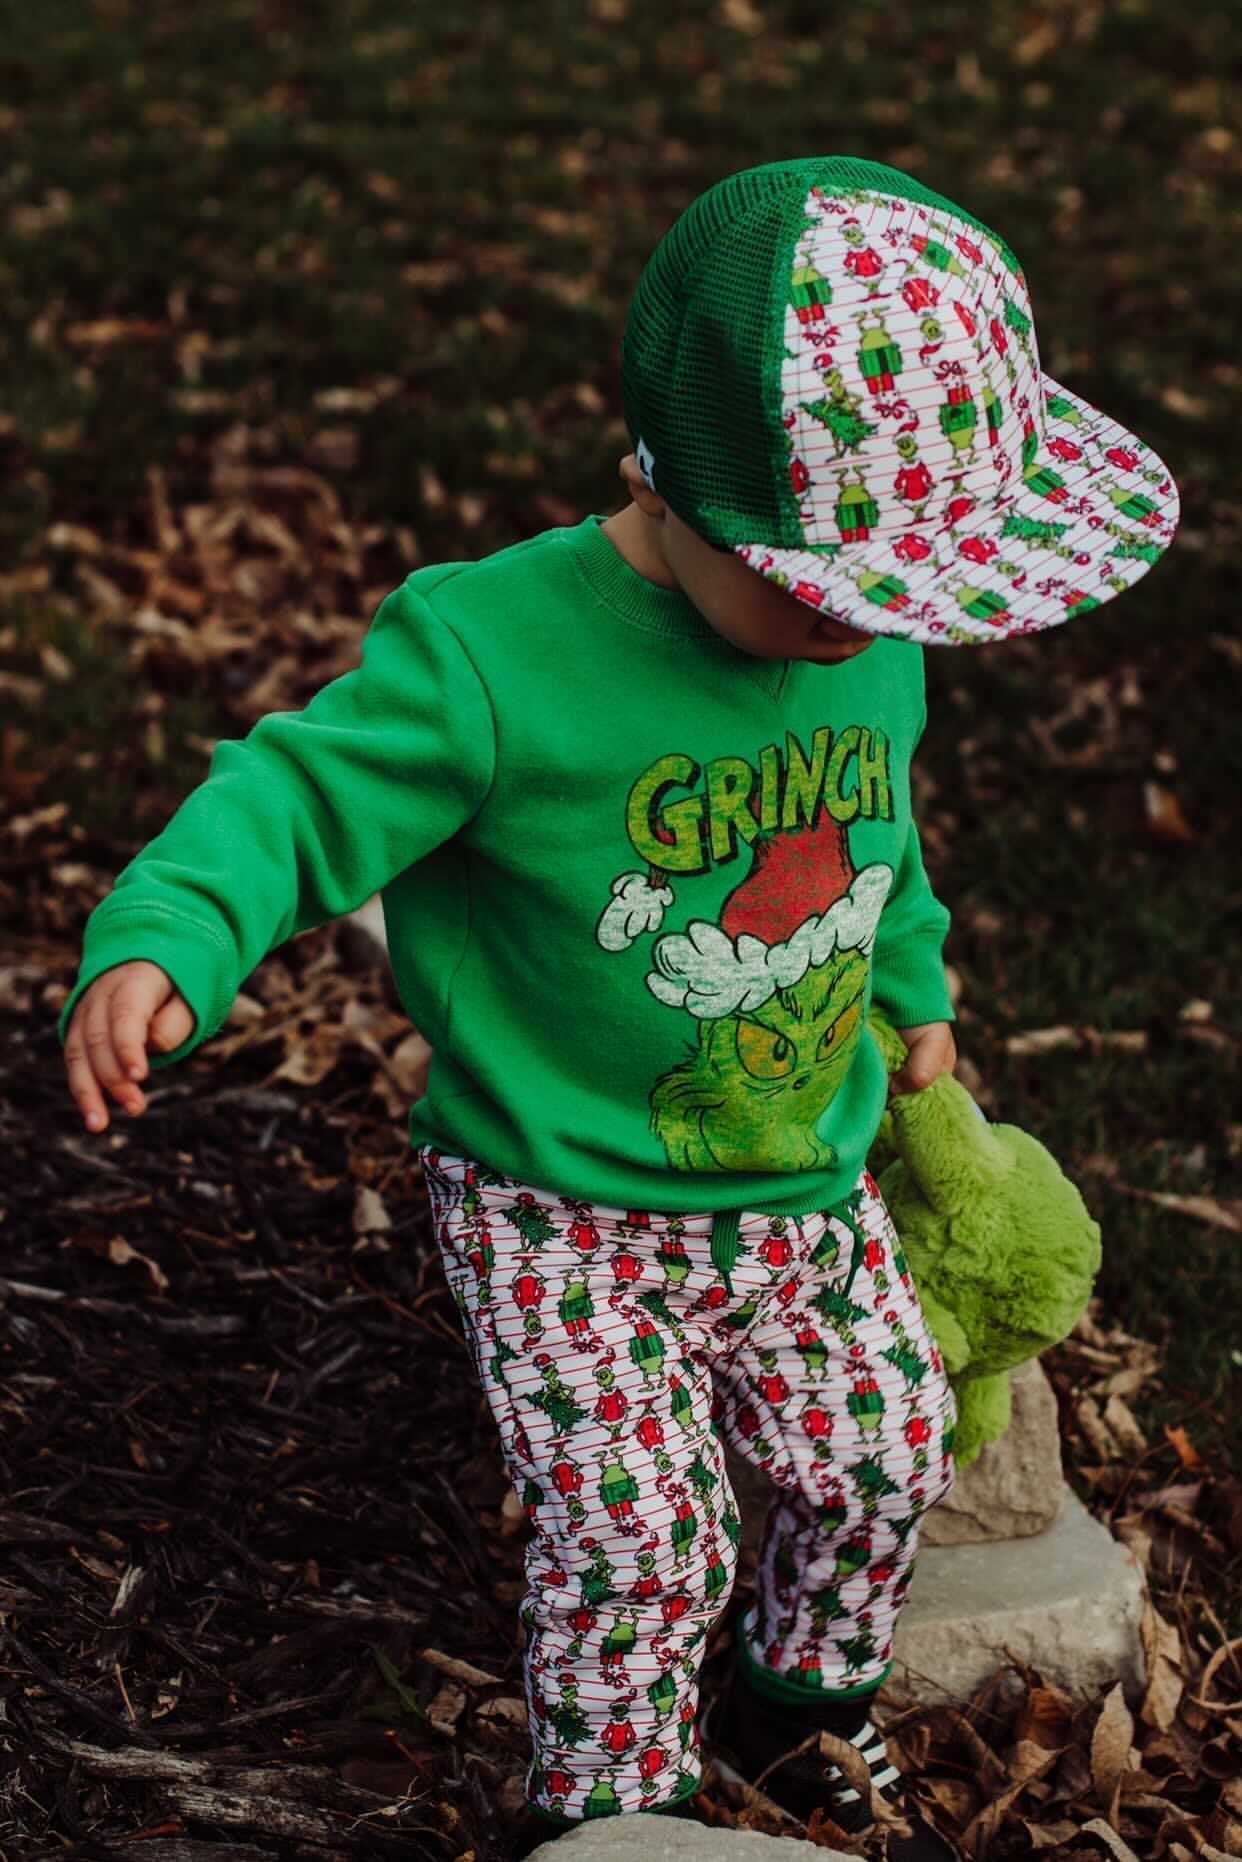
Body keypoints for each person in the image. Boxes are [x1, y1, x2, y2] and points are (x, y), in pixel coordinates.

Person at [58, 155, 1178, 1858]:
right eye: (827, 590)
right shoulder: (493, 653)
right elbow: (288, 800)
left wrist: (911, 984)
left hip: (798, 1180)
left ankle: (796, 1706)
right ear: (670, 486)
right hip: (559, 1202)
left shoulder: (855, 636)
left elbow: (876, 830)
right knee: (639, 1527)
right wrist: (171, 937)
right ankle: (612, 1806)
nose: (857, 634)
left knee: (875, 1461)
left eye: (897, 600)